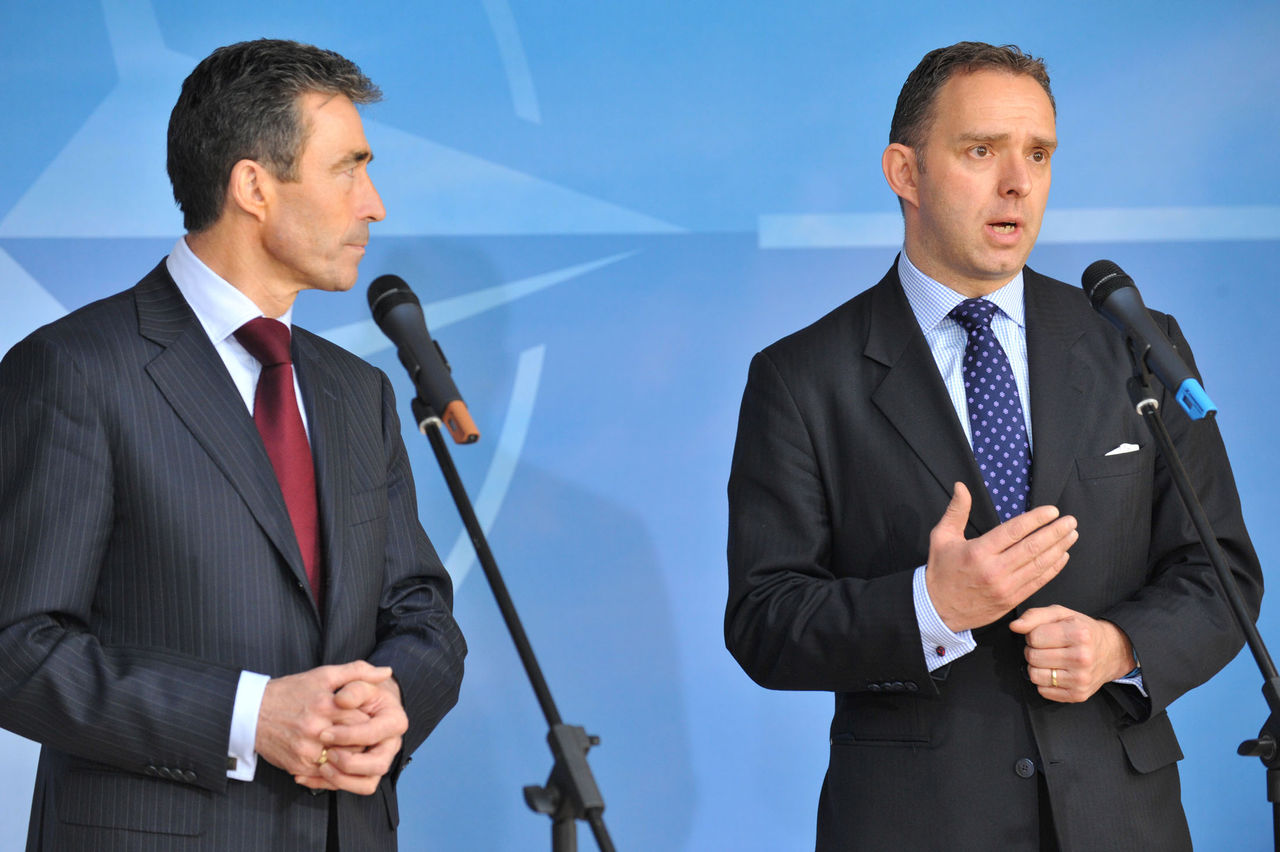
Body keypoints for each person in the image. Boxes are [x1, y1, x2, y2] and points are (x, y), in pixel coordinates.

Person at [725, 41, 1262, 850]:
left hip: (1125, 821)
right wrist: (931, 608)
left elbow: (1219, 573)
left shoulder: (1134, 346)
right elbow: (765, 620)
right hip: (916, 824)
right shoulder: (802, 377)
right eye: (982, 151)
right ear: (905, 173)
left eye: (1038, 154)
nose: (1018, 182)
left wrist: (1121, 647)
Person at [0, 39, 465, 851]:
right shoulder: (77, 368)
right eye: (348, 169)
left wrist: (394, 704)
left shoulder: (362, 393)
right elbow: (16, 647)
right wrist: (248, 717)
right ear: (253, 185)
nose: (375, 204)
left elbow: (421, 612)